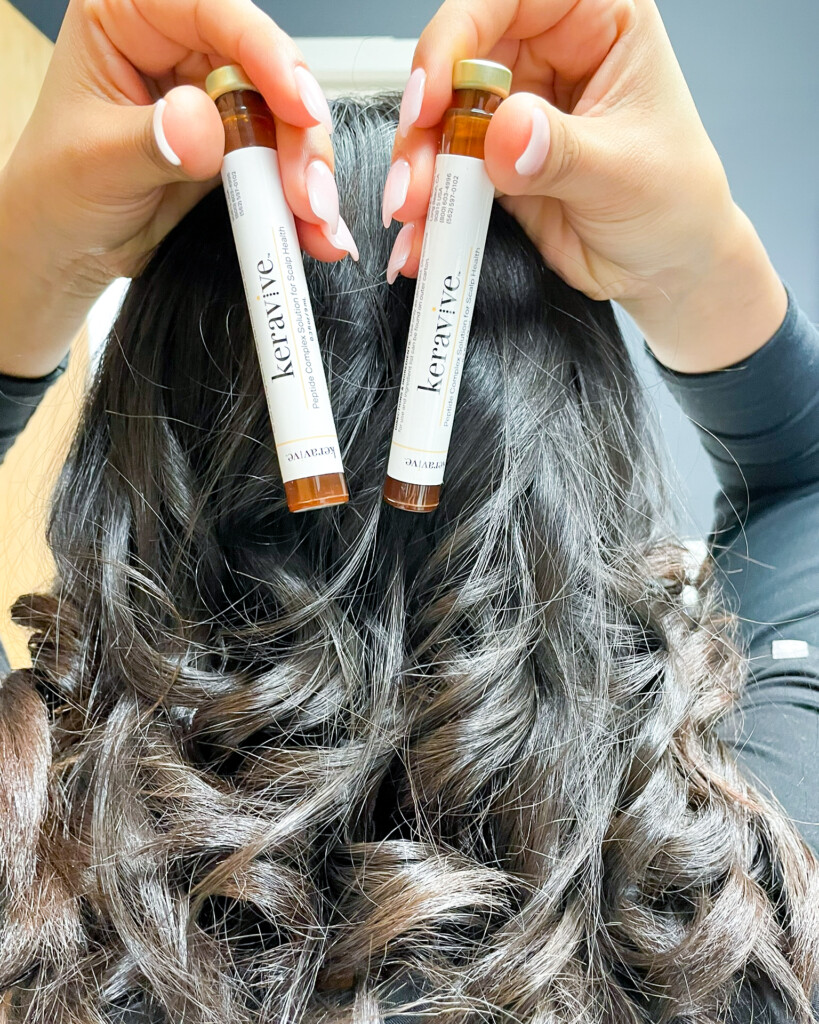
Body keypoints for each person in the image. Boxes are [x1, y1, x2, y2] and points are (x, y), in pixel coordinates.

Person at [0, 1, 817, 1023]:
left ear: (143, 461)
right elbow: (804, 481)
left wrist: (33, 262)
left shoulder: (29, 864)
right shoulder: (730, 919)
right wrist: (698, 259)